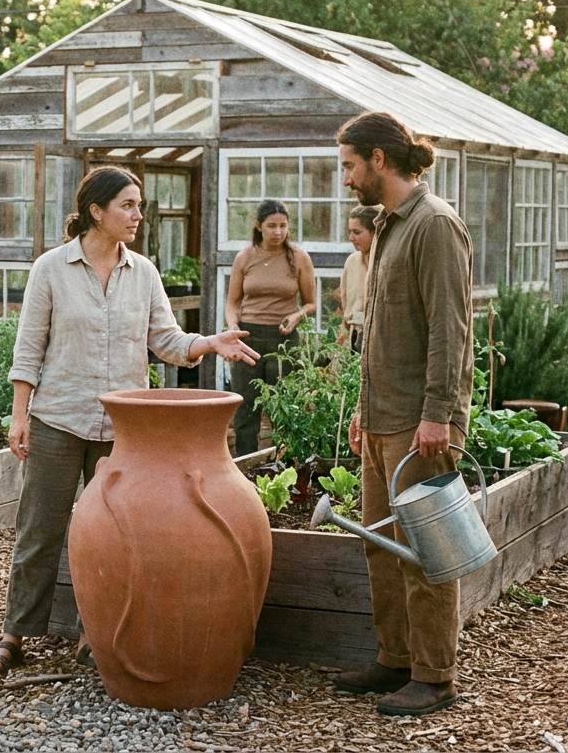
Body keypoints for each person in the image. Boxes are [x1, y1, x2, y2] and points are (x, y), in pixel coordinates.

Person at [0, 166, 260, 675]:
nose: (137, 215)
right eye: (127, 205)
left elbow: (167, 341)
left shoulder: (144, 273)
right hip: (59, 419)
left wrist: (209, 342)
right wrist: (20, 416)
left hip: (122, 430)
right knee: (40, 528)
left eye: (140, 205)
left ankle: (95, 634)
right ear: (96, 211)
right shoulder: (51, 269)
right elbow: (29, 348)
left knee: (113, 534)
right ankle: (14, 634)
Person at [337, 112, 473, 716]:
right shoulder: (389, 225)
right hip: (383, 416)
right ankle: (394, 659)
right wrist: (362, 409)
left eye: (349, 166)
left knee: (426, 552)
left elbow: (451, 329)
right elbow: (383, 329)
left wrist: (438, 414)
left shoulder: (434, 224)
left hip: (421, 422)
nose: (346, 179)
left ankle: (434, 675)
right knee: (383, 547)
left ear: (379, 159)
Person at [224, 199, 317, 456]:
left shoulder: (298, 258)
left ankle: (284, 466)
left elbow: (311, 303)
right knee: (246, 409)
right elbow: (232, 303)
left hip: (283, 340)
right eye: (271, 226)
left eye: (283, 226)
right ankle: (246, 465)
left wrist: (297, 316)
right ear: (258, 226)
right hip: (248, 338)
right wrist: (233, 328)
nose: (278, 232)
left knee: (283, 407)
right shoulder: (245, 257)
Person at [337, 204, 380, 352]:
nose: (351, 238)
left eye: (357, 232)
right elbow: (346, 309)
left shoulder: (387, 262)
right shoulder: (352, 262)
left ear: (375, 232)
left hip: (380, 341)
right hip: (355, 339)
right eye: (350, 232)